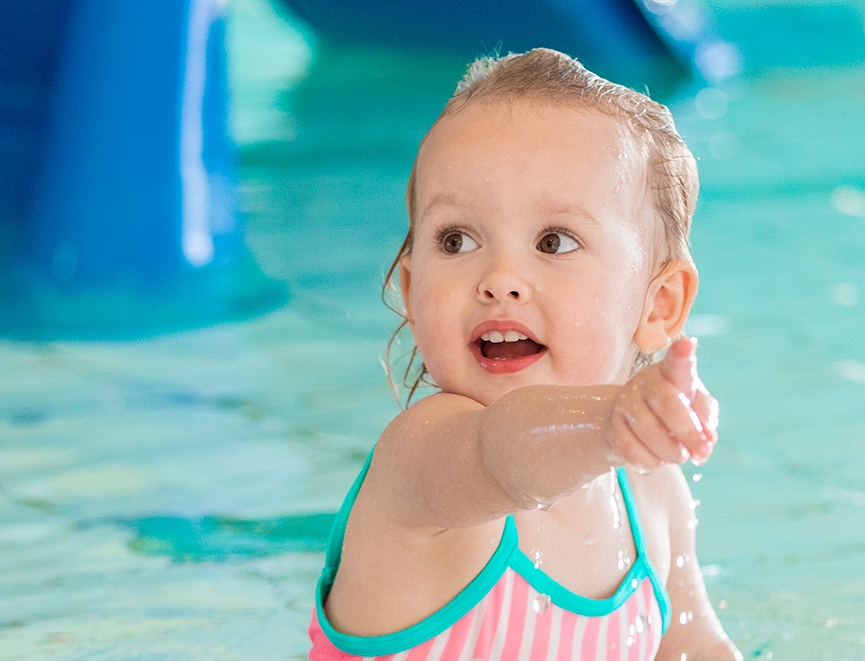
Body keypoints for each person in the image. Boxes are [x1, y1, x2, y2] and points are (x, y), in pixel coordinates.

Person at [309, 48, 741, 660]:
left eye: (554, 241)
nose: (500, 278)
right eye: (456, 240)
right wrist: (612, 420)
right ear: (411, 291)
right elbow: (502, 452)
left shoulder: (650, 493)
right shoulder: (419, 465)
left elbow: (697, 648)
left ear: (659, 304)